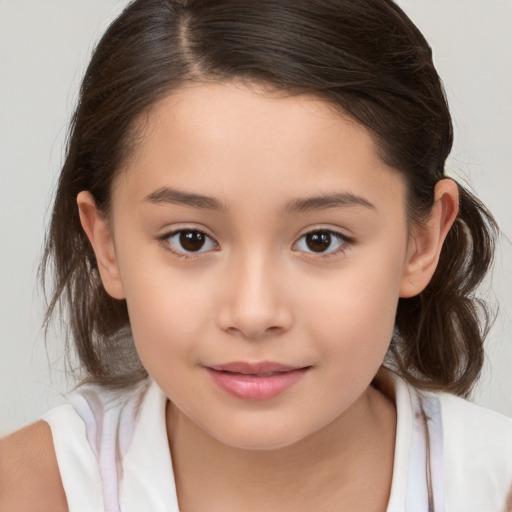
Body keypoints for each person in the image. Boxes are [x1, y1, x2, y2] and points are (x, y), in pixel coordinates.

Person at [1, 0, 511, 510]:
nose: (253, 313)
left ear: (421, 242)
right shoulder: (28, 492)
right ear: (106, 245)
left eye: (320, 240)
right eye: (190, 239)